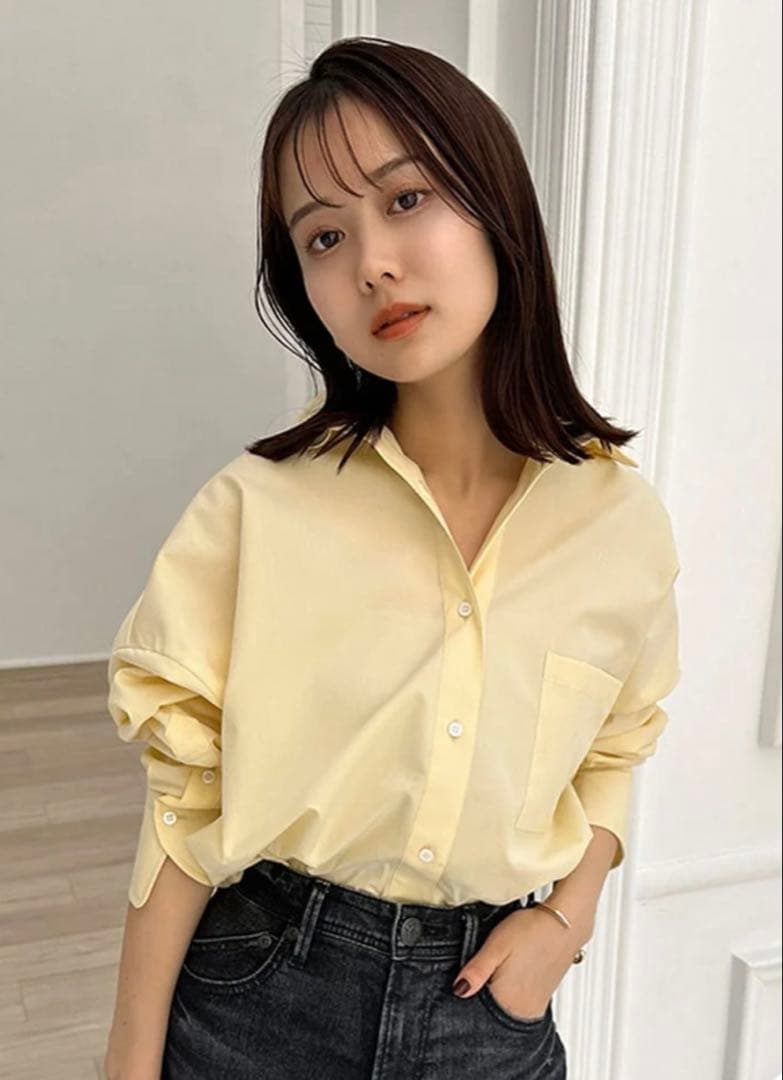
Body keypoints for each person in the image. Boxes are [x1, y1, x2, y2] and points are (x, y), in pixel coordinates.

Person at [104, 36, 681, 1080]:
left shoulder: (619, 524)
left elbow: (612, 749)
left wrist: (567, 919)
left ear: (495, 205)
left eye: (406, 199)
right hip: (261, 1000)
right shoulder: (255, 511)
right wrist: (128, 1062)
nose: (370, 262)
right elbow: (184, 806)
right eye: (323, 236)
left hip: (487, 1018)